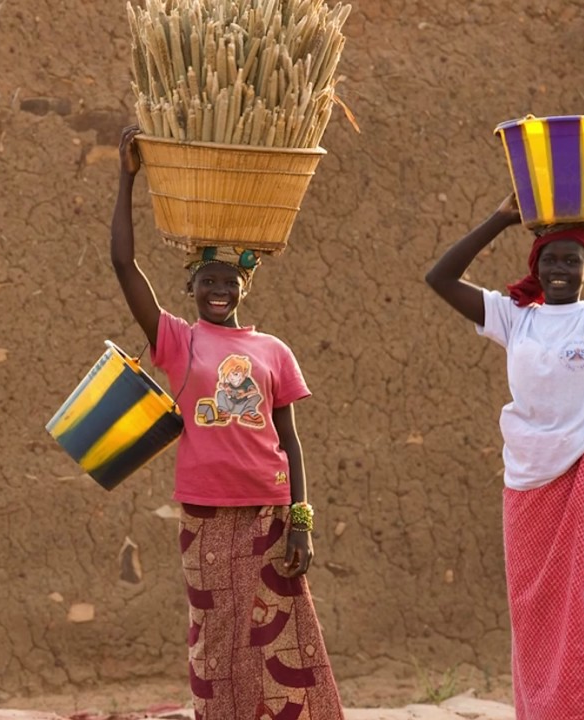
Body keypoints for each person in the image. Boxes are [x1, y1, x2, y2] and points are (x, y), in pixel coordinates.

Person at [111, 126, 344, 720]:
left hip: (269, 511)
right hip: (204, 513)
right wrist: (126, 177)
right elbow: (121, 262)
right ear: (190, 286)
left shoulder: (273, 350)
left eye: (228, 281)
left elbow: (289, 443)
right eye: (207, 281)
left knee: (277, 637)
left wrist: (302, 522)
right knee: (215, 638)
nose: (218, 290)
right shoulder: (177, 341)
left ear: (245, 285)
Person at [423, 193, 584, 720]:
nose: (559, 269)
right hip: (528, 483)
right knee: (535, 610)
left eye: (571, 260)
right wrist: (500, 218)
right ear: (535, 265)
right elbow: (440, 279)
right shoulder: (516, 318)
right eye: (549, 260)